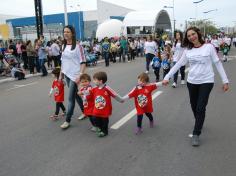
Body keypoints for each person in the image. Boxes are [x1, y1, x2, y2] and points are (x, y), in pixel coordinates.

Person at [162, 27, 229, 147]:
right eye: (189, 36)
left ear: (198, 34)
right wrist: (167, 76)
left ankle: (196, 133)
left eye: (193, 34)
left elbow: (217, 63)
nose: (192, 37)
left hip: (206, 81)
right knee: (194, 106)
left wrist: (225, 80)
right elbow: (178, 64)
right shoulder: (188, 50)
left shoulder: (209, 47)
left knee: (200, 107)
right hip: (192, 81)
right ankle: (199, 120)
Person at [60, 25, 86, 129]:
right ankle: (85, 111)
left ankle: (67, 120)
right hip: (66, 74)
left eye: (68, 32)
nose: (65, 34)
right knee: (75, 95)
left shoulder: (78, 46)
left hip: (75, 76)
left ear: (72, 33)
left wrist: (80, 75)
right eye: (64, 32)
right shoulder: (63, 46)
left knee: (70, 98)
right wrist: (61, 75)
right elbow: (63, 61)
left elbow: (83, 62)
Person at [91, 71, 123, 137]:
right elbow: (88, 94)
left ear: (100, 81)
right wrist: (82, 94)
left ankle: (104, 131)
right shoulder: (94, 88)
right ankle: (99, 127)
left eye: (95, 80)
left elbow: (115, 94)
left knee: (104, 121)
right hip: (96, 108)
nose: (93, 81)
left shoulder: (107, 88)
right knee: (95, 118)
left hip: (105, 109)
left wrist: (121, 100)